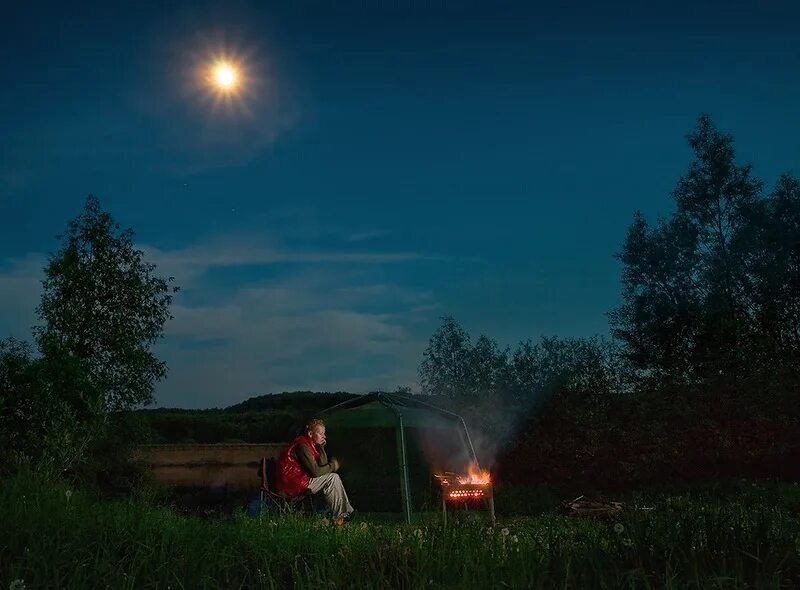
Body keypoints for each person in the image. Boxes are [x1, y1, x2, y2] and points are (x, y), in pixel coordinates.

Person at [275, 418, 354, 524]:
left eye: (324, 433)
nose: (324, 436)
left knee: (331, 477)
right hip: (293, 483)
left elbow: (322, 465)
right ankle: (341, 517)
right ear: (310, 433)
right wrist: (333, 466)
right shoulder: (302, 445)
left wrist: (321, 447)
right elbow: (316, 472)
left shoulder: (310, 444)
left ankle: (341, 515)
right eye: (321, 433)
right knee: (332, 478)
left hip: (300, 479)